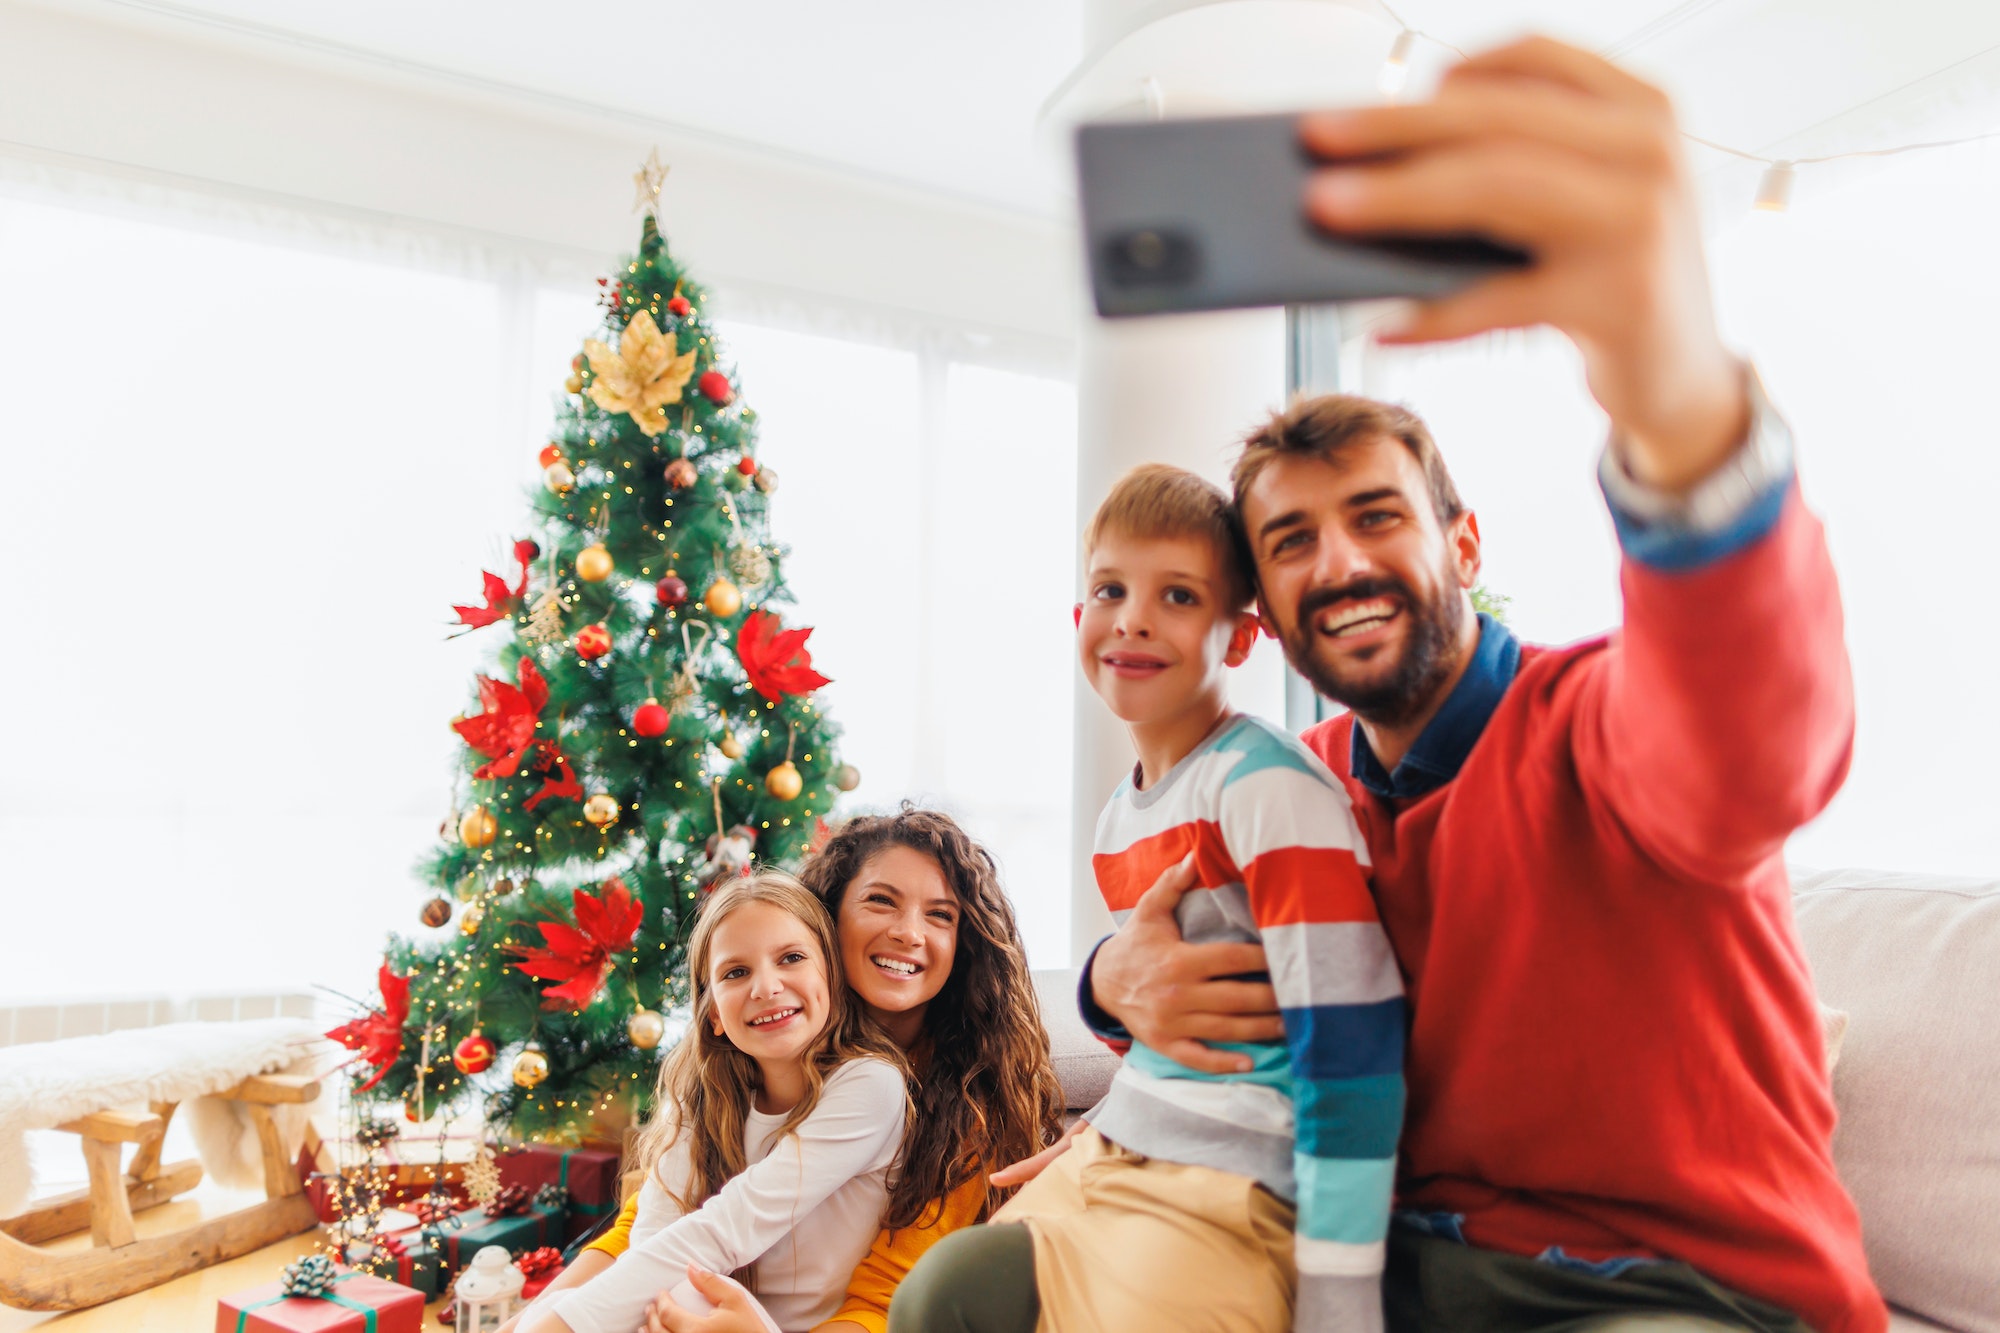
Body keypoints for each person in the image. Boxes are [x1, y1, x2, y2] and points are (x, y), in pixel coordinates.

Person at [1071, 34, 1885, 1333]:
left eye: (1377, 516)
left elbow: (1756, 741)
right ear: (1263, 618)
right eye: (1291, 541)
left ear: (1462, 546)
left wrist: (1673, 388)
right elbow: (1203, 971)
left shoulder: (1603, 725)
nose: (1341, 561)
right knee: (974, 1293)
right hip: (1403, 1266)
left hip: (1680, 1286)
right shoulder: (1290, 785)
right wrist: (1107, 982)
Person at [891, 464, 1405, 1333]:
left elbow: (1356, 1047)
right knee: (939, 1295)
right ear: (1079, 620)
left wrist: (1341, 1296)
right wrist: (1102, 1123)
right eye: (1111, 589)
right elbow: (1163, 1025)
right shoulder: (1117, 820)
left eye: (1179, 595)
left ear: (1239, 638)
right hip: (1117, 1155)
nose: (1133, 617)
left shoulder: (1267, 790)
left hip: (1237, 1186)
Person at [516, 808, 1066, 1333]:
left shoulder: (959, 1105)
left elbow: (885, 1301)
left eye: (940, 914)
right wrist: (533, 1318)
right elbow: (650, 1230)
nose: (909, 933)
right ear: (826, 920)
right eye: (881, 901)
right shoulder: (733, 1062)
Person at [516, 870, 909, 1333]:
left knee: (634, 1302)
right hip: (698, 1310)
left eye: (791, 958)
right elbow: (653, 1234)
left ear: (832, 977)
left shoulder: (871, 1083)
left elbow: (731, 1225)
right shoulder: (702, 1090)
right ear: (714, 1013)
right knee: (573, 1300)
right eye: (736, 973)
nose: (766, 988)